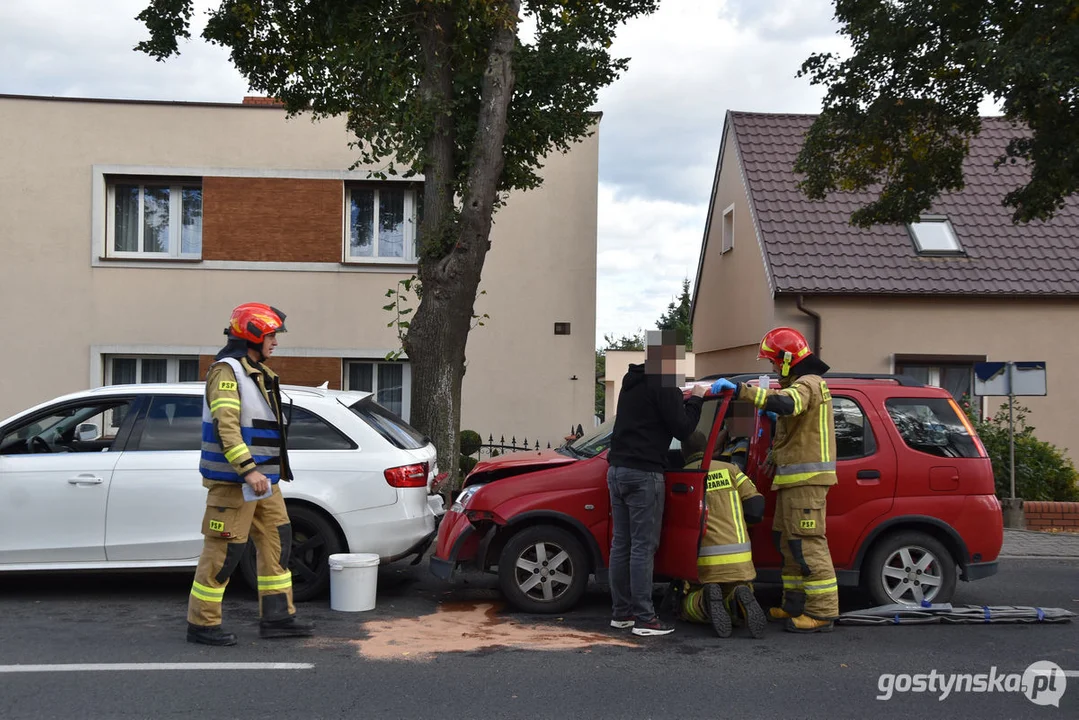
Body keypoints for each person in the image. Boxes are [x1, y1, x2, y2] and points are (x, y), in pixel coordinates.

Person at [186, 303, 314, 646]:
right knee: (223, 554)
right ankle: (202, 623)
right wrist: (248, 470)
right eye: (272, 335)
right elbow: (227, 427)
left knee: (277, 544)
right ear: (254, 334)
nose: (275, 342)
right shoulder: (226, 372)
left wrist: (262, 475)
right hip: (235, 483)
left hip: (263, 484)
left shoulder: (254, 370)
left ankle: (277, 618)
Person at [711, 326, 839, 634]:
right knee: (788, 542)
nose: (771, 367)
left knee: (807, 545)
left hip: (806, 483)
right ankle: (794, 605)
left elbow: (788, 404)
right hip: (794, 482)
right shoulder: (801, 384)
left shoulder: (809, 383)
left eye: (772, 361)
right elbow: (793, 430)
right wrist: (772, 458)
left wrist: (742, 392)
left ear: (785, 359)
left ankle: (822, 612)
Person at [607, 330, 706, 637]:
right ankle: (645, 619)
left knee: (620, 545)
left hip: (617, 470)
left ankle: (621, 614)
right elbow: (683, 429)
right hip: (645, 474)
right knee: (642, 548)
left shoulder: (631, 380)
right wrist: (698, 398)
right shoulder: (665, 383)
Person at [676, 432, 767, 639]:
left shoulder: (681, 475)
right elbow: (756, 507)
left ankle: (702, 602)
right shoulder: (731, 469)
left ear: (683, 452)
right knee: (740, 588)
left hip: (703, 564)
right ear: (709, 447)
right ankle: (736, 597)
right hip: (740, 560)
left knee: (685, 605)